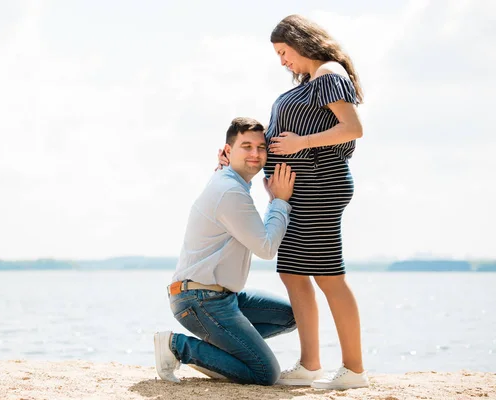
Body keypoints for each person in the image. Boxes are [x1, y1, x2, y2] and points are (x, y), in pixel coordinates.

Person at [217, 15, 369, 390]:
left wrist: (301, 144)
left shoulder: (329, 74)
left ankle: (354, 370)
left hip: (320, 184)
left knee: (328, 276)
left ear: (300, 42)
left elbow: (353, 128)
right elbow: (276, 138)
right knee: (292, 273)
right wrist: (236, 159)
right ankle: (310, 363)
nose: (282, 61)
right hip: (299, 191)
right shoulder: (309, 84)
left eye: (284, 52)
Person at [154, 117, 297, 385]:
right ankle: (177, 346)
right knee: (265, 373)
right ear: (229, 151)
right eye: (246, 146)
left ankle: (224, 349)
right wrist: (279, 201)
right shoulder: (230, 190)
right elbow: (266, 248)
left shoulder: (228, 180)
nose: (255, 154)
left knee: (291, 315)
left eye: (261, 147)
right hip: (199, 300)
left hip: (221, 296)